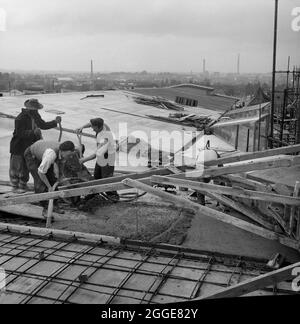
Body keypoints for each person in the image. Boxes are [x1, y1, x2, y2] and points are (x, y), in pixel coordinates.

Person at [9, 99, 61, 193]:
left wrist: (54, 122)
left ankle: (22, 186)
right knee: (17, 167)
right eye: (35, 109)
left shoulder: (35, 115)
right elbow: (20, 133)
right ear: (29, 109)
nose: (36, 110)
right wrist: (33, 132)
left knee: (26, 167)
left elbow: (42, 125)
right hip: (19, 146)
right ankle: (15, 187)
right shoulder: (20, 118)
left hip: (30, 146)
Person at [24, 140, 77, 213]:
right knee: (40, 183)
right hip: (32, 155)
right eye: (68, 155)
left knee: (53, 179)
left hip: (43, 154)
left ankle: (54, 205)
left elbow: (60, 165)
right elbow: (41, 172)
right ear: (62, 151)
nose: (70, 157)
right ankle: (46, 209)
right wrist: (49, 187)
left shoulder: (63, 152)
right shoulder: (51, 155)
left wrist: (60, 178)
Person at [76, 118, 119, 200]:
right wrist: (82, 127)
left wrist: (83, 160)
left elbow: (95, 154)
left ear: (99, 127)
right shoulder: (103, 125)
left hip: (108, 157)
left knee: (106, 178)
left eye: (94, 128)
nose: (92, 129)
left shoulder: (105, 138)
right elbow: (90, 123)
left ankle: (113, 196)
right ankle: (94, 193)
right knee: (97, 176)